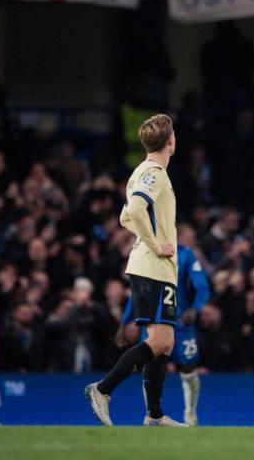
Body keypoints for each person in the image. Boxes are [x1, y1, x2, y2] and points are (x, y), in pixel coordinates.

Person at [85, 114, 186, 427]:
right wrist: (156, 244)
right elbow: (138, 208)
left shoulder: (144, 173)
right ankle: (102, 390)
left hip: (159, 268)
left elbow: (125, 217)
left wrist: (150, 238)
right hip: (152, 266)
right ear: (170, 141)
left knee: (164, 342)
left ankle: (154, 415)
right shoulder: (153, 173)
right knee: (157, 342)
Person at [118, 240, 210, 426]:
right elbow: (138, 292)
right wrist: (124, 321)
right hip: (153, 320)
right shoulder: (146, 251)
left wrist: (195, 308)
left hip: (180, 320)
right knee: (150, 366)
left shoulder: (185, 253)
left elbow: (202, 285)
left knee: (188, 367)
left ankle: (190, 415)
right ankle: (152, 414)